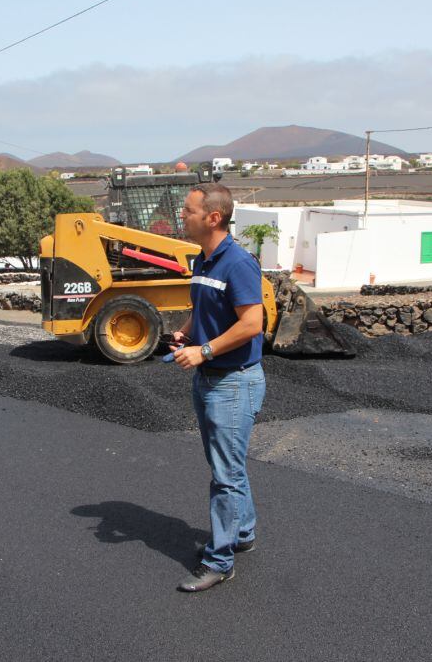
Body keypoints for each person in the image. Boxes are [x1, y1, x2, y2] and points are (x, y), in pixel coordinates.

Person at [170, 182, 266, 593]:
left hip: (233, 382)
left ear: (213, 217)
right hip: (210, 378)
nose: (182, 216)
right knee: (227, 467)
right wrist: (187, 332)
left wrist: (204, 351)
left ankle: (220, 560)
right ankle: (242, 533)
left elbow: (251, 324)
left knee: (225, 476)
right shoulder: (203, 260)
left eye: (188, 210)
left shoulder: (238, 262)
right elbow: (205, 308)